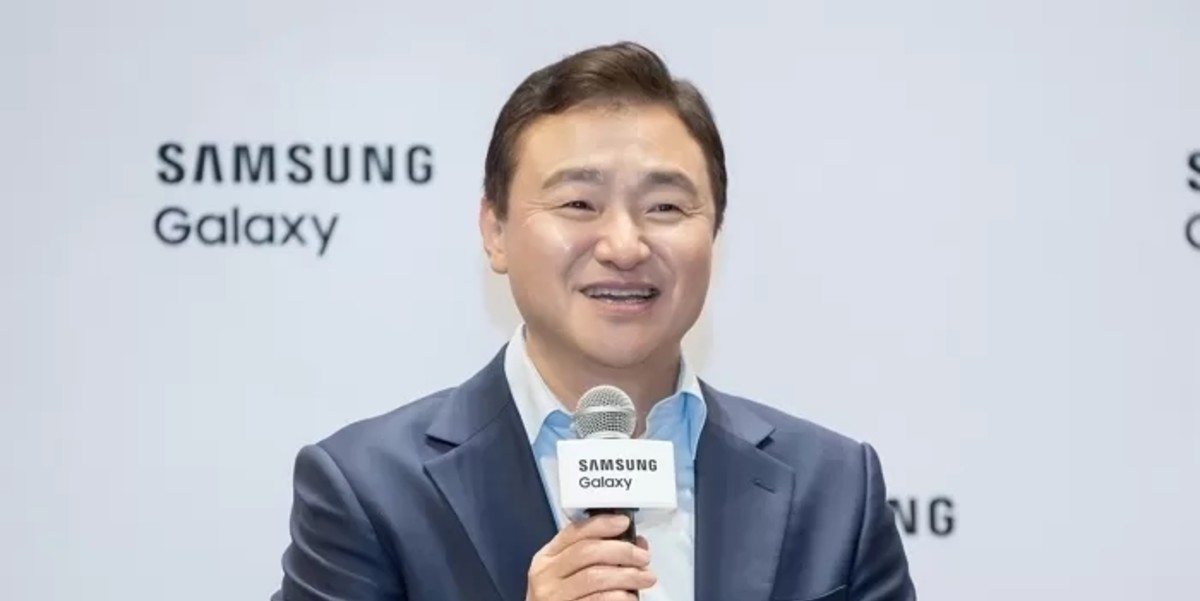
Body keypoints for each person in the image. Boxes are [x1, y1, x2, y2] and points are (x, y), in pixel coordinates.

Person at [271, 41, 916, 601]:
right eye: (579, 203)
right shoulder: (368, 491)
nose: (624, 246)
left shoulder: (835, 490)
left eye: (665, 207)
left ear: (715, 231)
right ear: (494, 230)